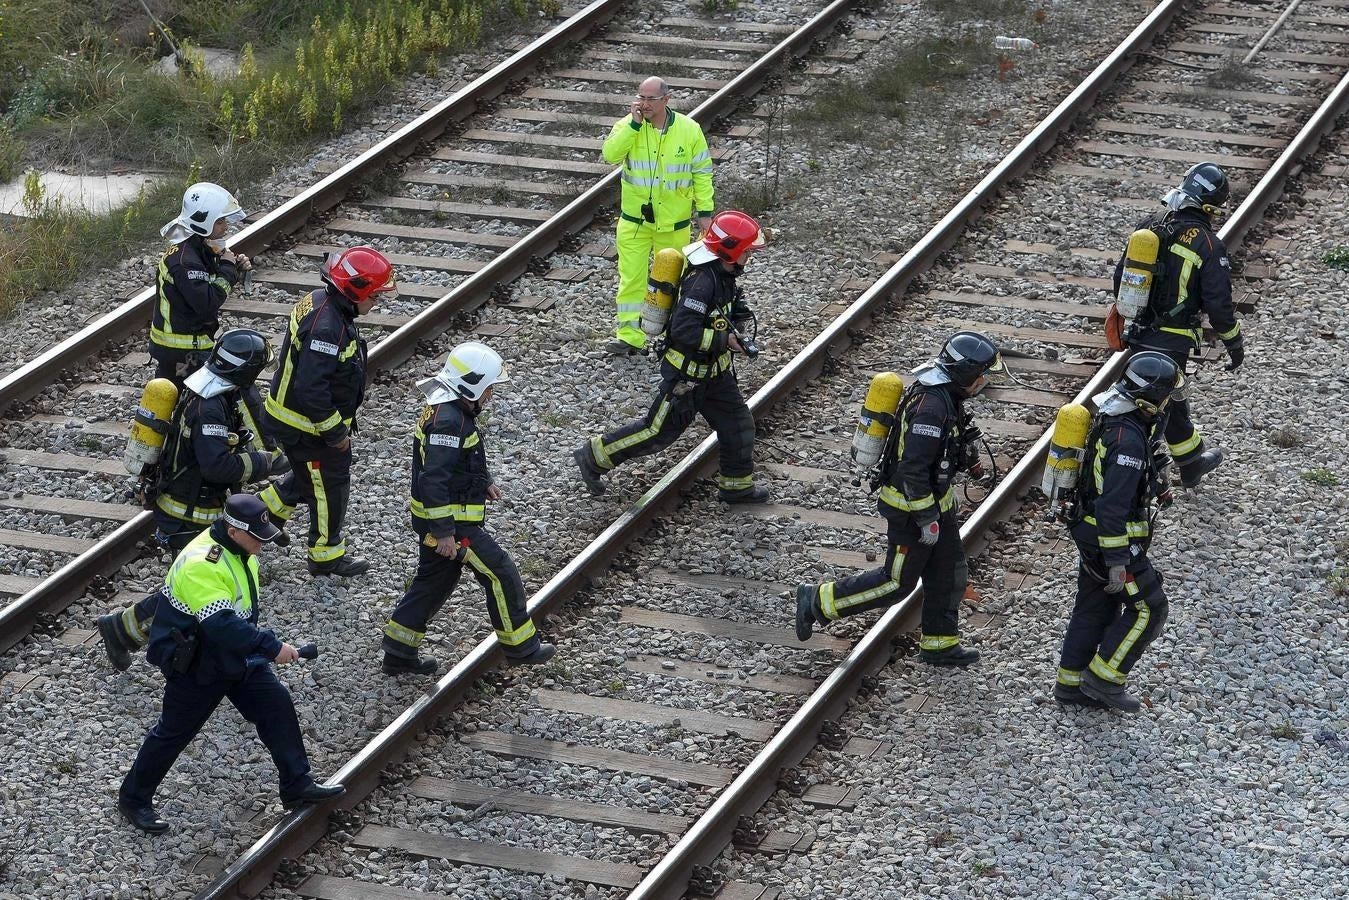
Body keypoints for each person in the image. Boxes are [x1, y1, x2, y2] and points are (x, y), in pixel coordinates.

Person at [117, 494, 345, 834]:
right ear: (235, 531)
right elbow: (220, 624)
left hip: (234, 653)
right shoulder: (202, 564)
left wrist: (258, 645)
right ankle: (133, 799)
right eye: (258, 536)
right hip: (198, 664)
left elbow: (236, 620)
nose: (263, 543)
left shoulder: (240, 549)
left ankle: (296, 784)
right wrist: (271, 647)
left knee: (276, 705)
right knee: (173, 734)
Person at [794, 331, 1004, 666]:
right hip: (911, 510)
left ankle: (940, 644)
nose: (983, 382)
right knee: (896, 583)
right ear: (966, 375)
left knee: (949, 574)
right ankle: (819, 601)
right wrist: (926, 520)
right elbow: (913, 470)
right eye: (981, 376)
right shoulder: (931, 409)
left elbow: (944, 452)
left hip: (939, 505)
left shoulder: (948, 397)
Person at [99, 329, 290, 671]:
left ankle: (123, 629)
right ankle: (127, 632)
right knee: (190, 592)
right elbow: (217, 465)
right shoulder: (210, 408)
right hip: (189, 512)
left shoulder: (212, 390)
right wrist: (262, 462)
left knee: (189, 590)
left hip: (196, 506)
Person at [381, 343, 556, 674]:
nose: (491, 394)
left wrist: (483, 481)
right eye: (489, 387)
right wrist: (444, 532)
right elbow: (434, 480)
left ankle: (398, 650)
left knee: (435, 581)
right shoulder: (450, 422)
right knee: (500, 572)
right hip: (453, 525)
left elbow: (460, 462)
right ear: (471, 385)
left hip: (442, 519)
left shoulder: (451, 410)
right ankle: (521, 646)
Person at [574, 210, 768, 503]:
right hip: (686, 378)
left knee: (739, 426)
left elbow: (729, 308)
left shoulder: (725, 275)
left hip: (715, 376)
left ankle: (736, 487)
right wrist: (723, 339)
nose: (749, 258)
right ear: (730, 251)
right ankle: (594, 455)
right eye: (747, 252)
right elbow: (683, 331)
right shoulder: (701, 282)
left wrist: (738, 322)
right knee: (656, 433)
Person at [1054, 352, 1183, 712]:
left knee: (1094, 607)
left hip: (1089, 531)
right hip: (1110, 540)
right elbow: (1113, 507)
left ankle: (1070, 685)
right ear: (1152, 397)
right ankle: (1104, 679)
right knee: (1149, 608)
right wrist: (1116, 559)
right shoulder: (1127, 440)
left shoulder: (1117, 416)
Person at [259, 246, 395, 577]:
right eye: (375, 296)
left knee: (309, 476)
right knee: (330, 483)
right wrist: (335, 433)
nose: (377, 302)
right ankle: (325, 556)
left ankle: (260, 517)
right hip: (305, 426)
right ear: (355, 289)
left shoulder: (324, 304)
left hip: (295, 418)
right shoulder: (327, 327)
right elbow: (311, 389)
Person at [1116, 161, 1243, 489]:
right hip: (1172, 339)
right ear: (1211, 207)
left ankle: (1190, 463)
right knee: (1160, 403)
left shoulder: (1150, 225)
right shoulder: (1208, 244)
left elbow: (1121, 276)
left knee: (1167, 398)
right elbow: (1218, 304)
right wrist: (1234, 342)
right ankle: (1146, 471)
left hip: (1140, 330)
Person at [601, 75, 715, 355]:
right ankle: (629, 336)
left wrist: (705, 212)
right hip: (634, 224)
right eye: (641, 97)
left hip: (672, 225)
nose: (644, 103)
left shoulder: (689, 130)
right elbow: (610, 155)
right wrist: (633, 125)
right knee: (631, 279)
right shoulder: (628, 127)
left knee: (672, 282)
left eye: (651, 98)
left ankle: (675, 335)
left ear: (666, 99)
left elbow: (702, 172)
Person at [149, 182, 251, 385]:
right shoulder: (186, 261)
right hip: (181, 351)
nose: (226, 226)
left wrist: (232, 266)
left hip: (188, 345)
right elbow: (207, 303)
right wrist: (228, 270)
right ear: (203, 222)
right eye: (220, 221)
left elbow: (207, 283)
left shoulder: (198, 248)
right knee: (188, 405)